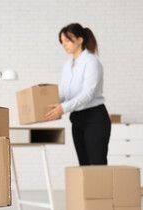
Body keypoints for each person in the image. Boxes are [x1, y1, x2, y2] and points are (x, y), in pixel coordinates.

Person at [45, 23, 111, 166]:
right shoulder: (68, 65)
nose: (64, 45)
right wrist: (47, 104)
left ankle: (101, 190)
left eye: (67, 40)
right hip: (77, 119)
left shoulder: (91, 62)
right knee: (84, 165)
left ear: (80, 40)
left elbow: (88, 94)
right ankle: (88, 190)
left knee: (97, 164)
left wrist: (63, 108)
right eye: (62, 42)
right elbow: (63, 91)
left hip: (95, 118)